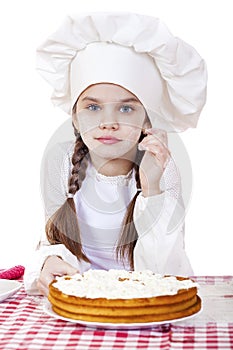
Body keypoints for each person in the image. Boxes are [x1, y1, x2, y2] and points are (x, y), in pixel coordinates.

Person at [24, 12, 207, 296]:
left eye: (126, 108)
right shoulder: (63, 165)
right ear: (74, 117)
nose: (108, 122)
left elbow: (169, 272)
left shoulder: (161, 169)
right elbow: (50, 242)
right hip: (80, 304)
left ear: (148, 120)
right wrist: (49, 262)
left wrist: (153, 189)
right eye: (93, 107)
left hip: (140, 305)